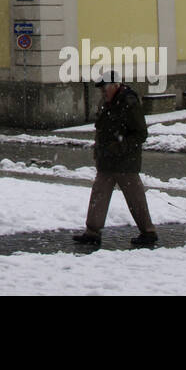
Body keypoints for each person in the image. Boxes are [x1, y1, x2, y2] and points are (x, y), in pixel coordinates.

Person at [73, 70, 158, 250]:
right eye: (102, 89)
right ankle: (92, 232)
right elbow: (102, 129)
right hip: (107, 162)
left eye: (105, 88)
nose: (103, 92)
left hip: (125, 163)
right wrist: (100, 149)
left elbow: (141, 133)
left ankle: (148, 232)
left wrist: (120, 146)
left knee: (135, 198)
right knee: (98, 195)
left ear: (115, 85)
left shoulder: (129, 102)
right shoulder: (107, 102)